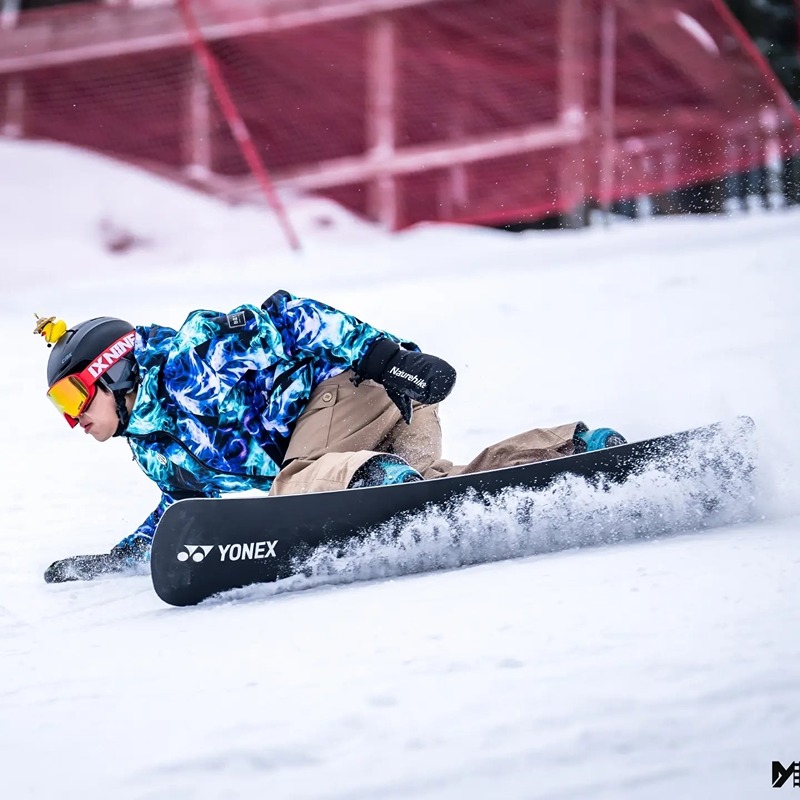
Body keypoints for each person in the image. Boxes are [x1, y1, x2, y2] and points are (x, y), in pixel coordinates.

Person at [35, 290, 625, 569]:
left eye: (72, 396)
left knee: (289, 489)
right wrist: (121, 559)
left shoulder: (192, 361)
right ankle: (572, 449)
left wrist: (385, 359)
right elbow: (183, 511)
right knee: (441, 486)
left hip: (368, 389)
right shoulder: (156, 447)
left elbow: (292, 319)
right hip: (356, 442)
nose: (73, 418)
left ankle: (372, 479)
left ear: (113, 373)